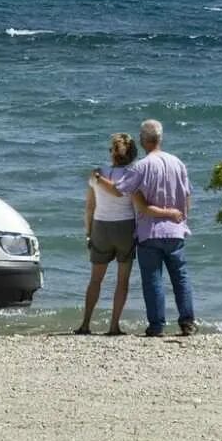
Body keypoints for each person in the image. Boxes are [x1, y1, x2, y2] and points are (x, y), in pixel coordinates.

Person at [98, 117, 195, 337]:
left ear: (143, 140)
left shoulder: (142, 166)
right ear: (160, 138)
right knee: (180, 277)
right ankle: (187, 322)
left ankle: (157, 325)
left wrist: (98, 177)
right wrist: (182, 218)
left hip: (149, 231)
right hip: (175, 229)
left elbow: (119, 190)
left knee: (153, 280)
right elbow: (187, 195)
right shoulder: (178, 163)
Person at [74, 132, 139, 335]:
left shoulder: (97, 174)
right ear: (133, 154)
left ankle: (85, 324)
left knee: (95, 279)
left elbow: (89, 208)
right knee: (122, 281)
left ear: (112, 153)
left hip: (101, 226)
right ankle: (113, 326)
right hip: (125, 228)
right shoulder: (134, 174)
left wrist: (88, 233)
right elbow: (136, 206)